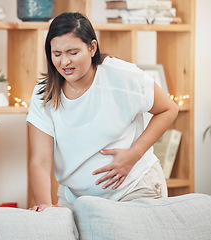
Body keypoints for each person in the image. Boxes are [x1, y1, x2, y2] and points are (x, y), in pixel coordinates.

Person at [26, 12, 178, 212]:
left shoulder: (120, 75)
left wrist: (134, 154)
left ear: (92, 48)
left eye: (72, 52)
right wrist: (45, 205)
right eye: (57, 54)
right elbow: (40, 159)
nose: (64, 62)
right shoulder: (43, 93)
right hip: (76, 198)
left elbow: (168, 109)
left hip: (134, 187)